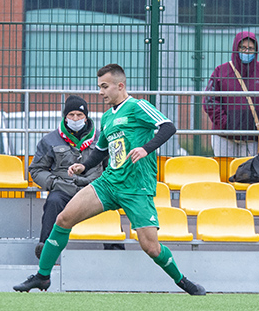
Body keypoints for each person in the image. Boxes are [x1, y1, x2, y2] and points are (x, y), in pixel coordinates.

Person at [13, 64, 206, 295]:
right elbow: (101, 150)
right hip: (108, 183)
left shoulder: (138, 106)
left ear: (120, 85)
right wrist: (83, 165)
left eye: (104, 87)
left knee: (151, 247)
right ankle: (43, 276)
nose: (101, 92)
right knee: (63, 219)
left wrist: (145, 149)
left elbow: (168, 127)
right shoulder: (106, 117)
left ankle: (183, 282)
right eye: (99, 87)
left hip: (136, 188)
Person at [29, 95, 113, 259]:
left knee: (108, 204)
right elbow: (37, 169)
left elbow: (110, 166)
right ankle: (45, 249)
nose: (75, 119)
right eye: (71, 115)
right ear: (65, 117)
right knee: (53, 202)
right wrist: (54, 183)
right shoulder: (49, 140)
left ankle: (115, 250)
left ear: (86, 116)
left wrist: (104, 183)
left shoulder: (101, 138)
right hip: (63, 189)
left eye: (79, 115)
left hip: (93, 188)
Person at [204, 31, 259, 157]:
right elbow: (210, 100)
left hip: (254, 137)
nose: (246, 51)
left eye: (250, 48)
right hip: (224, 137)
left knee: (251, 175)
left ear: (256, 51)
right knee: (225, 173)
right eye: (242, 47)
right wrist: (224, 123)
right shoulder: (220, 71)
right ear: (235, 48)